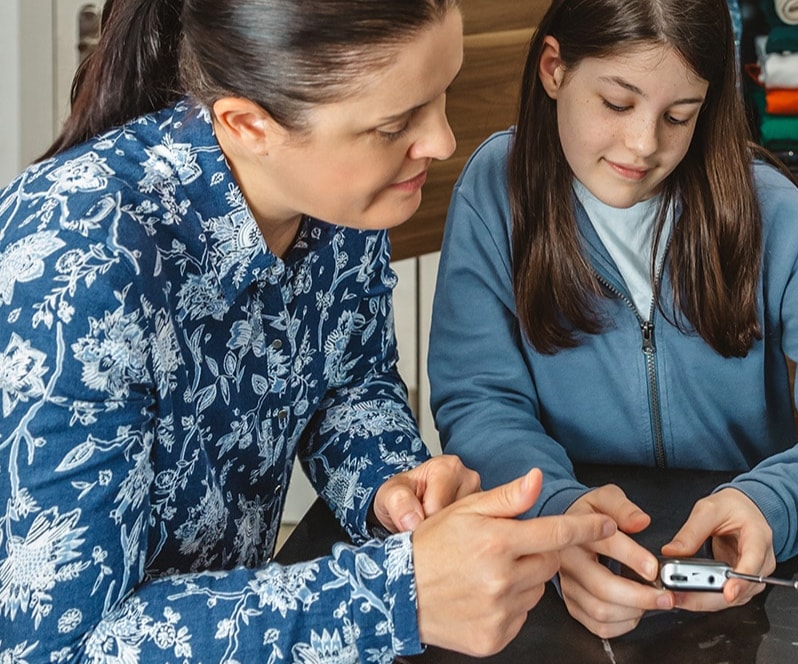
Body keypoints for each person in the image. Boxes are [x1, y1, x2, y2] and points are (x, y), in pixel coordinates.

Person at [0, 0, 617, 660]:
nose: (441, 143)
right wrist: (398, 597)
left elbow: (349, 387)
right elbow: (59, 645)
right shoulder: (76, 260)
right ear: (249, 124)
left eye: (441, 93)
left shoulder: (340, 204)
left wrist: (393, 489)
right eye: (393, 124)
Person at [427, 0, 798, 639]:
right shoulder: (493, 193)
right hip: (552, 578)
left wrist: (771, 501)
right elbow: (480, 404)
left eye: (679, 116)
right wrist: (558, 513)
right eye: (617, 103)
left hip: (740, 594)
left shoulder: (771, 211)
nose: (644, 143)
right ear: (554, 69)